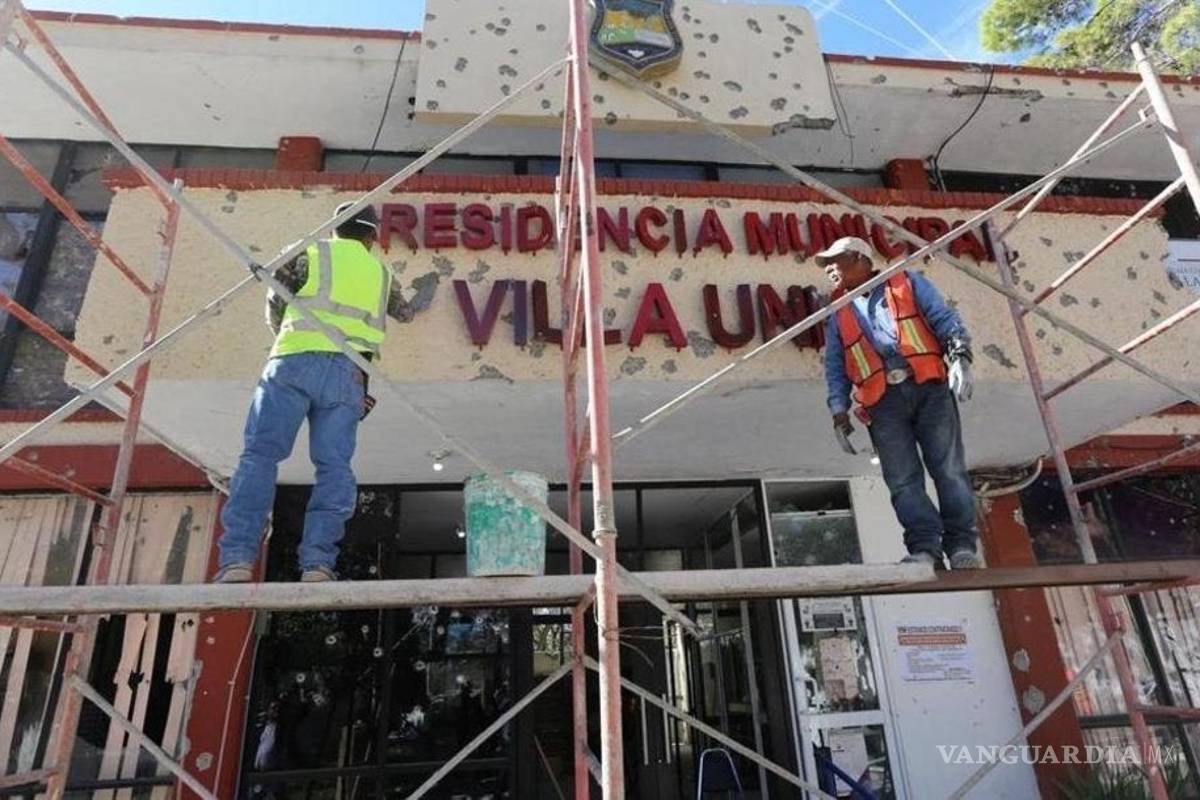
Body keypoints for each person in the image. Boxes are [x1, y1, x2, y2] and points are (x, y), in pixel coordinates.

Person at [214, 202, 410, 583]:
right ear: (372, 237)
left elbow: (275, 298)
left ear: (335, 230)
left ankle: (237, 559)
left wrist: (284, 339)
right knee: (334, 468)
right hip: (347, 375)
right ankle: (318, 565)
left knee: (260, 456)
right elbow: (404, 312)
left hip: (294, 360)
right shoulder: (383, 274)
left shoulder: (309, 252)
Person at [817, 236, 982, 570]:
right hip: (882, 401)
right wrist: (838, 410)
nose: (830, 270)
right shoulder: (838, 313)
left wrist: (960, 357)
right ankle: (925, 548)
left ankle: (962, 545)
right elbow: (835, 365)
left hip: (928, 386)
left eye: (836, 261)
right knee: (902, 479)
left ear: (859, 258)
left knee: (948, 469)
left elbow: (943, 319)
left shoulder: (907, 282)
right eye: (827, 265)